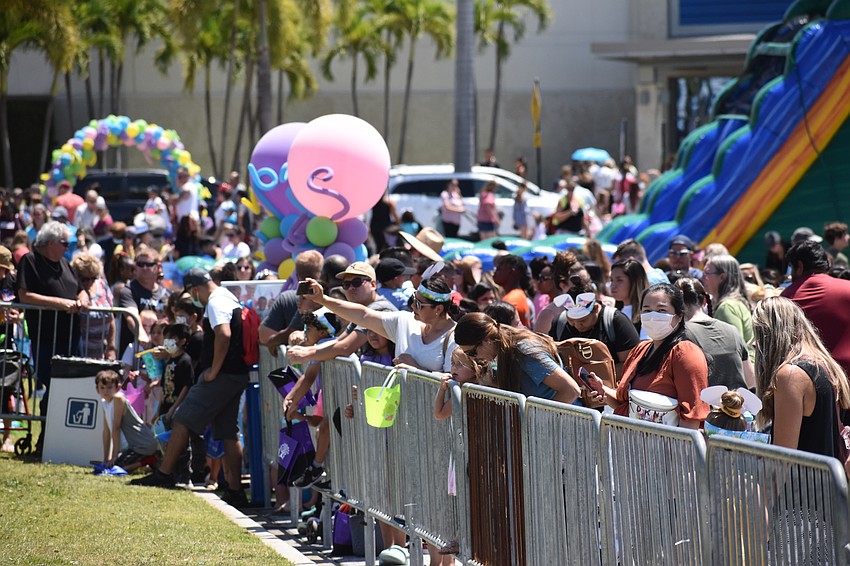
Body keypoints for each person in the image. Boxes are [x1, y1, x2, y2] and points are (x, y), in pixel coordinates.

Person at [130, 268, 250, 507]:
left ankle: (164, 475)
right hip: (236, 374)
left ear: (195, 288)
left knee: (182, 419)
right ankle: (235, 491)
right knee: (228, 432)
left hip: (222, 375)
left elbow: (223, 335)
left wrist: (213, 370)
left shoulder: (215, 301)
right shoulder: (228, 297)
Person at [586, 283, 710, 429]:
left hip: (665, 447)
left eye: (661, 310)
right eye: (647, 310)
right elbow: (626, 404)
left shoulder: (686, 354)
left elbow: (691, 417)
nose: (653, 316)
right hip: (631, 441)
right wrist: (603, 390)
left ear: (679, 316)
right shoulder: (640, 349)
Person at [299, 273, 458, 373]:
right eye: (414, 301)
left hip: (435, 422)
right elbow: (363, 315)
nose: (412, 306)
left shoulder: (454, 337)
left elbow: (454, 385)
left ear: (438, 309)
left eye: (419, 305)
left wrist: (416, 369)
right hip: (402, 417)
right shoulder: (405, 321)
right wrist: (323, 299)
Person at [752, 297, 850, 457]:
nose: (754, 343)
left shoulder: (790, 375)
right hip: (829, 478)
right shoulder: (824, 364)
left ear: (768, 334)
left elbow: (782, 458)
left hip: (804, 481)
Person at [16, 221, 87, 423]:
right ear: (51, 242)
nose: (67, 247)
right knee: (52, 383)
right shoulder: (30, 261)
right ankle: (46, 434)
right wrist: (60, 303)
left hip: (72, 335)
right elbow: (25, 295)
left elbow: (80, 288)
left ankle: (65, 432)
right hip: (47, 336)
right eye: (64, 243)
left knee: (74, 382)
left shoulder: (64, 263)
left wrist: (83, 298)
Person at [453, 312, 581, 403]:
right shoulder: (503, 353)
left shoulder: (524, 351)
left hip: (563, 429)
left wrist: (539, 420)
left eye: (472, 353)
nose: (474, 359)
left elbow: (571, 390)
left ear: (487, 341)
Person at [286, 262, 397, 365]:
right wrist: (304, 348)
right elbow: (339, 341)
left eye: (357, 282)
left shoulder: (379, 309)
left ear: (373, 284)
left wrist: (307, 354)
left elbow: (346, 347)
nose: (351, 288)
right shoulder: (361, 311)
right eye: (346, 284)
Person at [782, 240, 850, 376]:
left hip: (814, 378)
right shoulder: (847, 287)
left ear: (799, 266)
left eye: (791, 267)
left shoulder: (786, 298)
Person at [545, 277, 640, 373]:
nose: (578, 325)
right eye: (572, 321)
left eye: (583, 320)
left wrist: (595, 376)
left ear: (595, 308)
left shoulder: (615, 321)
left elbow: (631, 364)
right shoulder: (560, 324)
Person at [675, 277, 754, 390]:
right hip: (737, 405)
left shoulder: (679, 335)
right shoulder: (732, 331)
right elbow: (750, 380)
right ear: (705, 301)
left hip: (701, 405)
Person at [95, 370, 157, 473]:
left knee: (115, 469)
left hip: (143, 444)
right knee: (109, 467)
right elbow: (106, 431)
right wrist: (105, 459)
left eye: (110, 387)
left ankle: (149, 460)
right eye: (102, 387)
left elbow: (116, 427)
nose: (106, 391)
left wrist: (114, 456)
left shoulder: (118, 398)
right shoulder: (104, 402)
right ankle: (147, 462)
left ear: (118, 388)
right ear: (97, 390)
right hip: (132, 447)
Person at [116, 248, 171, 355]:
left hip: (161, 353)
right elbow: (131, 315)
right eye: (140, 264)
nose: (144, 268)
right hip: (134, 351)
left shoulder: (166, 293)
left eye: (149, 264)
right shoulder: (128, 290)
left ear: (158, 267)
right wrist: (141, 334)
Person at [702, 254, 755, 360]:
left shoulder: (727, 307)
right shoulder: (734, 303)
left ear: (722, 277)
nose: (702, 277)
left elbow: (733, 351)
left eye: (707, 273)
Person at [70, 252, 116, 360]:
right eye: (85, 279)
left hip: (100, 351)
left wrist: (111, 347)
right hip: (77, 352)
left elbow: (111, 317)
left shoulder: (102, 284)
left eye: (93, 278)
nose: (89, 282)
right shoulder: (72, 288)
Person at [609, 259, 649, 334]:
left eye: (619, 280)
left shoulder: (646, 314)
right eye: (611, 280)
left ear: (634, 282)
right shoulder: (612, 313)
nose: (613, 285)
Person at [491, 254, 532, 327]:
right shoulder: (519, 295)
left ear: (511, 271)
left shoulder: (511, 300)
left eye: (499, 269)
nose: (494, 272)